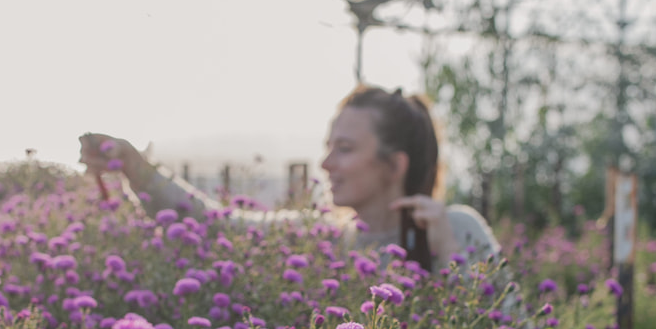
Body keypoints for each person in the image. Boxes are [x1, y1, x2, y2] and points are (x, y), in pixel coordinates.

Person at [80, 85, 500, 271]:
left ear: (395, 165)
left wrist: (448, 253)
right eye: (328, 146)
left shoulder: (457, 229)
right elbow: (215, 227)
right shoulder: (323, 237)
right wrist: (137, 169)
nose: (326, 163)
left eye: (346, 149)